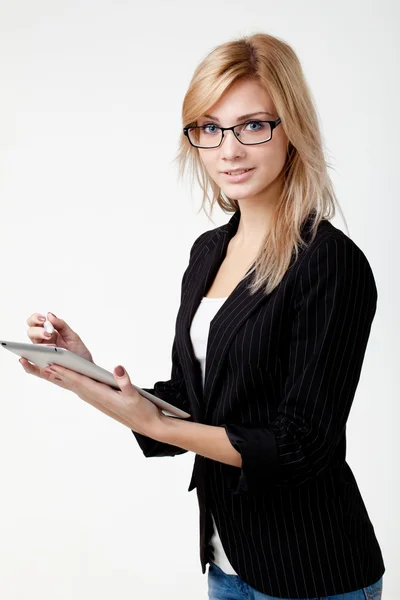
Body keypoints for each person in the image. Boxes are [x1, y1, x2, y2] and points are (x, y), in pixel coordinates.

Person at [21, 32, 385, 600]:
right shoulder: (208, 253)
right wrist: (84, 373)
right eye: (210, 128)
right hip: (226, 565)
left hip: (311, 572)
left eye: (253, 125)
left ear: (293, 129)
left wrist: (158, 424)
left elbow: (302, 445)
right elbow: (198, 406)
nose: (229, 150)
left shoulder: (329, 262)